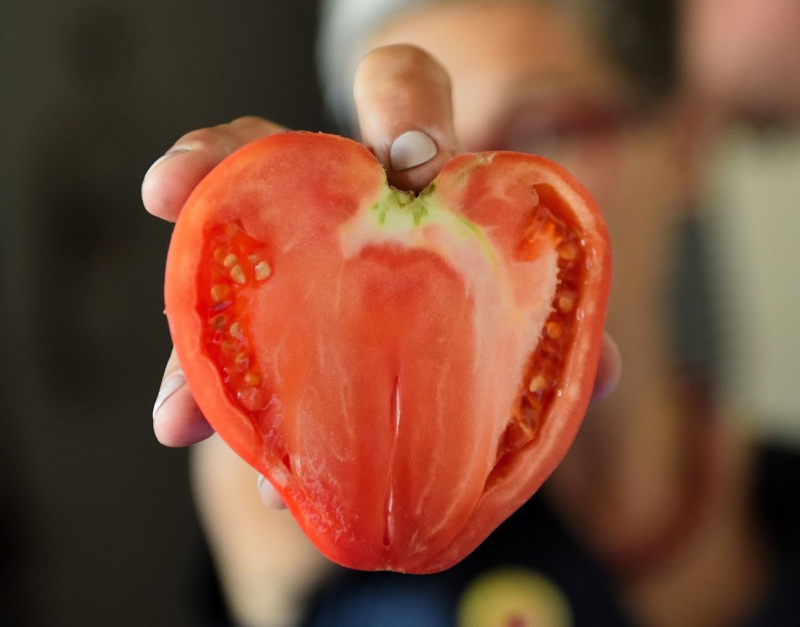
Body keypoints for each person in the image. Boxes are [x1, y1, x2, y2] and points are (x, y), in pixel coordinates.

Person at [142, 1, 800, 625]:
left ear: (687, 140)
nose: (452, 221)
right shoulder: (292, 528)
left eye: (539, 130)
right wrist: (269, 380)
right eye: (400, 166)